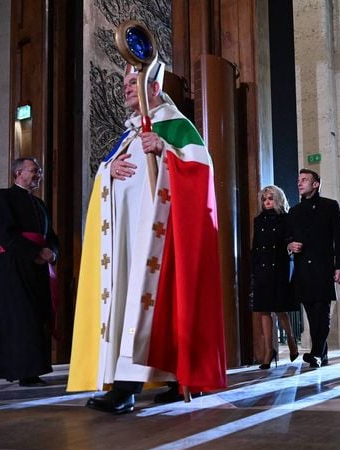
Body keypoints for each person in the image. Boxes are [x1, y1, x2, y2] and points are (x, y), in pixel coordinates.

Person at [67, 61, 226, 413]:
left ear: (153, 88)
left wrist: (167, 152)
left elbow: (202, 171)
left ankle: (127, 387)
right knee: (133, 302)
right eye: (124, 82)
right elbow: (109, 171)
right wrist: (108, 171)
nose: (125, 88)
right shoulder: (130, 133)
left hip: (158, 241)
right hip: (127, 239)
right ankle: (168, 378)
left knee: (150, 304)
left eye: (132, 82)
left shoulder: (175, 124)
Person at [0, 158, 58, 385]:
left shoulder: (40, 204)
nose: (39, 174)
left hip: (38, 268)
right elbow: (5, 233)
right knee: (20, 319)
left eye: (39, 171)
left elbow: (52, 237)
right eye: (34, 170)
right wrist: (37, 252)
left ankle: (33, 370)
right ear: (18, 173)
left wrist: (52, 253)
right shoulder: (2, 197)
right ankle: (23, 372)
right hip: (14, 267)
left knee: (36, 317)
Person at [287, 169, 340, 368]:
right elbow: (287, 237)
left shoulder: (330, 206)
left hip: (324, 267)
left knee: (322, 313)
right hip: (303, 269)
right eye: (298, 180)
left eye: (304, 180)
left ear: (315, 184)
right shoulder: (293, 211)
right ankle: (322, 354)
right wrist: (290, 245)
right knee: (312, 317)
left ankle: (315, 352)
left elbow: (338, 237)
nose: (300, 183)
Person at [251, 185, 299, 369]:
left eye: (270, 198)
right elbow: (256, 246)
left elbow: (289, 240)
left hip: (279, 266)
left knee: (280, 309)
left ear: (278, 199)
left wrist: (288, 247)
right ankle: (267, 351)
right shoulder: (258, 221)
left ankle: (292, 340)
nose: (267, 202)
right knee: (263, 310)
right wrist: (253, 268)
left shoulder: (286, 219)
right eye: (264, 199)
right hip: (262, 268)